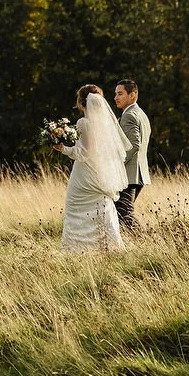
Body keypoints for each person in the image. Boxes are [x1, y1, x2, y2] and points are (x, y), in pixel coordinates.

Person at [53, 84, 128, 252]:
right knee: (102, 205)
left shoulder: (83, 123)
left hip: (84, 175)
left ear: (81, 102)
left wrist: (64, 149)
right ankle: (108, 245)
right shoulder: (105, 126)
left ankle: (76, 249)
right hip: (99, 174)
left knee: (75, 208)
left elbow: (84, 153)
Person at [113, 79, 151, 232]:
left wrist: (118, 163)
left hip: (129, 174)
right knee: (121, 213)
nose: (116, 97)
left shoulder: (129, 115)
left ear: (132, 95)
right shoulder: (141, 114)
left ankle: (145, 241)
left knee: (124, 215)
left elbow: (135, 145)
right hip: (138, 173)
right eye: (115, 94)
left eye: (120, 94)